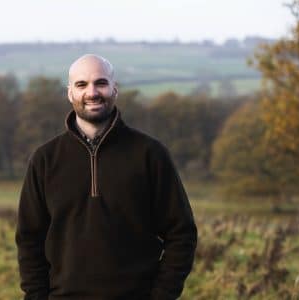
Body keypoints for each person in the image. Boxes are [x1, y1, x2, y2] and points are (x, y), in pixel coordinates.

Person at [15, 54, 197, 300]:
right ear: (70, 93)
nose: (92, 92)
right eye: (81, 85)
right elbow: (29, 239)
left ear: (114, 89)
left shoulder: (150, 154)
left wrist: (161, 296)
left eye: (100, 83)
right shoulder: (45, 159)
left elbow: (182, 233)